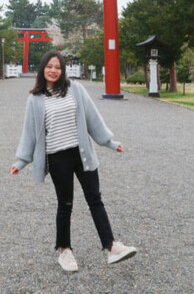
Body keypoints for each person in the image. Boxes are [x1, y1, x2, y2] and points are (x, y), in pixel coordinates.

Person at [10, 51, 136, 272]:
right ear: (43, 69)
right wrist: (21, 161)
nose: (53, 70)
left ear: (63, 70)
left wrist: (109, 142)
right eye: (49, 66)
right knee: (65, 204)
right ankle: (65, 251)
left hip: (82, 153)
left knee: (95, 199)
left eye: (58, 67)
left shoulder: (75, 89)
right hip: (58, 157)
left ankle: (111, 247)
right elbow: (30, 133)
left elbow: (92, 118)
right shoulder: (35, 99)